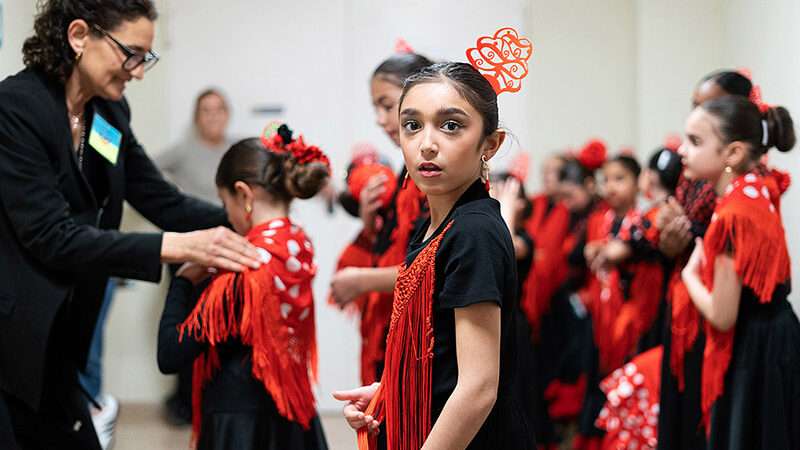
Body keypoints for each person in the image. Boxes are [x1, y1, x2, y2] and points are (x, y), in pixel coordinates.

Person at [0, 1, 260, 448]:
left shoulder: (109, 115)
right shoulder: (16, 109)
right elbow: (52, 237)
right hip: (11, 336)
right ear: (79, 36)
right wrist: (176, 247)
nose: (138, 72)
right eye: (132, 53)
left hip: (64, 334)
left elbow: (163, 201)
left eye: (146, 58)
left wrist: (249, 220)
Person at [337, 60, 535, 449]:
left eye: (450, 125)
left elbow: (478, 388)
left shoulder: (474, 231)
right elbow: (444, 353)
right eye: (412, 125)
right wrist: (391, 391)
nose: (427, 143)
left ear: (489, 145)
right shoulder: (433, 225)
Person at [158, 127, 330, 450]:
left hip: (240, 424)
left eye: (226, 203)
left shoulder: (243, 269)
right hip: (291, 411)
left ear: (244, 195)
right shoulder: (297, 243)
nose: (227, 215)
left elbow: (170, 354)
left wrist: (182, 280)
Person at [679, 95, 799, 448]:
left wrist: (690, 276)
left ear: (731, 153)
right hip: (777, 337)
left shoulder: (733, 215)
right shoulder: (759, 188)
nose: (682, 150)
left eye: (695, 142)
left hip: (756, 350)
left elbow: (722, 314)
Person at [329, 48, 433, 386]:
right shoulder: (407, 169)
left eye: (387, 105)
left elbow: (435, 265)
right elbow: (403, 245)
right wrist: (369, 219)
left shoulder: (431, 174)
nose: (379, 118)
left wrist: (362, 280)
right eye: (377, 107)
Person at [156, 88, 235, 426]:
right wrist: (175, 205)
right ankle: (185, 403)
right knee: (187, 329)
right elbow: (146, 173)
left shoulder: (234, 151)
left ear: (226, 114)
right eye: (206, 110)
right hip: (191, 254)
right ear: (197, 116)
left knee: (222, 330)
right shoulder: (184, 151)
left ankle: (215, 398)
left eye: (218, 109)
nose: (213, 116)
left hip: (227, 253)